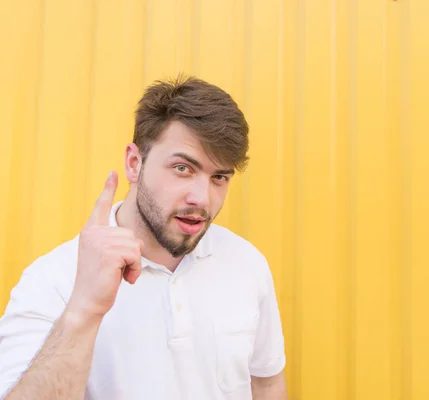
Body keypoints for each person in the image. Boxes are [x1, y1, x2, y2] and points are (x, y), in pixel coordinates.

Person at [0, 76, 287, 400]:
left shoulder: (247, 263)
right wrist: (84, 309)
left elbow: (266, 383)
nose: (202, 199)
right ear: (134, 164)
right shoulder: (53, 280)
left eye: (218, 177)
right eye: (183, 168)